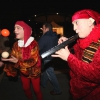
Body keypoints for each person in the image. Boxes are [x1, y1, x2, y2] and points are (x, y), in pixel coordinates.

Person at [52, 9, 100, 100]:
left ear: (90, 22)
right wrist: (67, 45)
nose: (74, 28)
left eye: (77, 23)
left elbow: (95, 76)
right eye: (73, 24)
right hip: (79, 91)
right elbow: (78, 54)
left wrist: (69, 58)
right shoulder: (83, 39)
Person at [1, 21, 43, 100]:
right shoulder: (16, 45)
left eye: (18, 28)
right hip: (23, 72)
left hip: (34, 72)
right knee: (25, 89)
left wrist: (17, 62)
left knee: (37, 90)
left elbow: (33, 61)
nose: (15, 30)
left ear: (25, 30)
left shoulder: (33, 44)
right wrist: (3, 61)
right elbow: (13, 57)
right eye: (14, 28)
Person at [38, 22, 62, 95]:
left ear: (47, 28)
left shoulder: (44, 37)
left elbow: (38, 47)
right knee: (47, 70)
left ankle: (58, 90)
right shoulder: (54, 35)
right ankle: (43, 83)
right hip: (53, 56)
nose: (42, 29)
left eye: (43, 28)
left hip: (47, 57)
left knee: (51, 74)